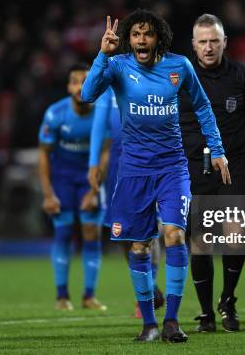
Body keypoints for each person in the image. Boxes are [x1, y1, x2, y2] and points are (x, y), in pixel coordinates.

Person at [82, 10, 230, 343]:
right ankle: (149, 324)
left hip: (172, 166)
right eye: (135, 35)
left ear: (158, 37)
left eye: (147, 34)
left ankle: (172, 322)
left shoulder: (179, 66)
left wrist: (217, 149)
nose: (141, 40)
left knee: (175, 235)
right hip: (134, 169)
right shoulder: (118, 66)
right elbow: (88, 94)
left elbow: (203, 106)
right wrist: (101, 56)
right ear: (128, 40)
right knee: (139, 244)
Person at [179, 14, 245, 332]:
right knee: (201, 242)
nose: (208, 47)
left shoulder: (241, 75)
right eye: (202, 41)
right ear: (193, 44)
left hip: (234, 168)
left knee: (235, 236)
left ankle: (228, 300)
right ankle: (206, 313)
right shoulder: (179, 77)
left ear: (224, 43)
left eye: (214, 41)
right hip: (193, 169)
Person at [87, 87, 165, 317]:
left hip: (147, 162)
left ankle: (147, 293)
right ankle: (147, 287)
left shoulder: (147, 83)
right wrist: (93, 164)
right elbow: (98, 129)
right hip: (115, 168)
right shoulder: (106, 92)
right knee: (120, 234)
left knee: (151, 229)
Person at [38, 63, 107, 312]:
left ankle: (89, 296)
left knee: (92, 233)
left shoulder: (103, 111)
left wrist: (95, 189)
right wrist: (48, 193)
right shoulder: (55, 114)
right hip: (63, 180)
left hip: (90, 180)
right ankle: (61, 296)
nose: (81, 87)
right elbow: (44, 154)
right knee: (63, 234)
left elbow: (107, 152)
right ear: (69, 87)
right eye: (76, 81)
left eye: (86, 81)